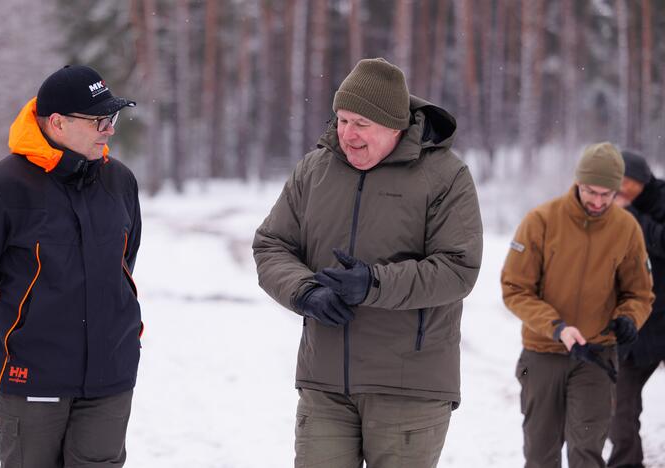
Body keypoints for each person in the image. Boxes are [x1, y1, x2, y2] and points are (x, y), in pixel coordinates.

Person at [253, 58, 483, 467]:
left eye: (361, 123)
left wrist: (375, 284)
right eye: (341, 120)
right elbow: (272, 245)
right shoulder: (314, 170)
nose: (347, 134)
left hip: (409, 387)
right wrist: (305, 293)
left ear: (395, 125)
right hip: (325, 383)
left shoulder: (446, 176)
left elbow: (458, 268)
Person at [0, 65, 141, 468]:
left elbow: (122, 263)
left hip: (110, 379)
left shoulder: (119, 181)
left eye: (112, 118)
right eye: (99, 120)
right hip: (30, 381)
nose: (110, 130)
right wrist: (18, 335)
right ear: (57, 123)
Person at [501, 142, 654, 468]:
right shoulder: (540, 221)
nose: (598, 202)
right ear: (577, 182)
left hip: (596, 355)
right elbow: (515, 288)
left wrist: (628, 318)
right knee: (541, 454)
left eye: (607, 194)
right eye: (590, 192)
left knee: (587, 452)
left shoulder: (627, 229)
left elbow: (639, 294)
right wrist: (556, 327)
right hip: (542, 354)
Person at [608, 150, 665, 468]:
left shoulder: (659, 201)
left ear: (642, 179)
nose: (620, 188)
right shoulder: (609, 208)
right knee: (619, 406)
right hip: (635, 325)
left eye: (625, 182)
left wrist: (631, 217)